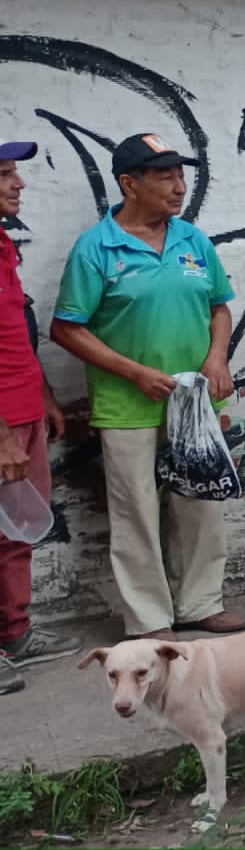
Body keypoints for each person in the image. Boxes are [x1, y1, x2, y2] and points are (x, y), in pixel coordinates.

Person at [52, 133, 245, 640]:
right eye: (165, 178)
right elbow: (67, 328)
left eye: (181, 176)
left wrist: (217, 354)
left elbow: (219, 306)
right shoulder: (97, 248)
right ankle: (149, 619)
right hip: (127, 402)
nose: (179, 187)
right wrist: (133, 372)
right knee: (135, 510)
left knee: (199, 502)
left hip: (193, 401)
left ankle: (200, 603)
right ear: (129, 184)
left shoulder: (192, 240)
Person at [0, 140, 78, 694]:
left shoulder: (4, 245)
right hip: (2, 424)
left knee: (17, 532)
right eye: (4, 174)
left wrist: (45, 396)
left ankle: (14, 634)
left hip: (23, 411)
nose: (18, 183)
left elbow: (15, 335)